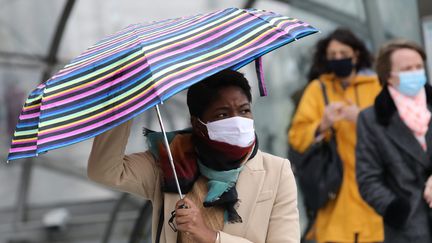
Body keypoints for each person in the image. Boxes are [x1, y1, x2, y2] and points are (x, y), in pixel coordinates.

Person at [87, 69, 300, 243]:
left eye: (244, 110)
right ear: (198, 124)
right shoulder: (170, 162)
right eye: (222, 114)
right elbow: (104, 171)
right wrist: (124, 103)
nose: (237, 121)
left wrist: (211, 237)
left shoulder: (277, 171)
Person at [288, 28, 383, 242]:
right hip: (334, 199)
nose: (338, 59)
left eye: (343, 53)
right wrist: (322, 125)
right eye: (333, 55)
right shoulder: (316, 89)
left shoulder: (376, 87)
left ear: (356, 54)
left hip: (375, 196)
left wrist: (363, 119)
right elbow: (296, 137)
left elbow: (395, 134)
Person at [356, 40, 432, 242]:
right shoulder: (371, 119)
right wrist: (398, 211)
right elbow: (367, 180)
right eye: (407, 69)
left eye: (418, 67)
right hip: (409, 231)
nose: (416, 73)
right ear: (389, 76)